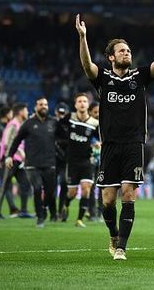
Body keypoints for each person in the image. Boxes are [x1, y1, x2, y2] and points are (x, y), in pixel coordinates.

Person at [76, 12, 154, 260]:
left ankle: (121, 247)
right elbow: (87, 65)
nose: (126, 53)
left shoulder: (139, 77)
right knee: (108, 200)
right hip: (109, 146)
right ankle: (112, 233)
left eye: (128, 50)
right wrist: (83, 37)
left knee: (129, 194)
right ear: (111, 57)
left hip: (133, 144)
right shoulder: (104, 79)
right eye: (121, 51)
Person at [5, 97, 58, 228]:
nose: (44, 106)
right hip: (32, 164)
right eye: (41, 104)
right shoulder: (28, 123)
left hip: (50, 163)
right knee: (37, 187)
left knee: (51, 192)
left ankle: (44, 207)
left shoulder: (53, 122)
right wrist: (9, 156)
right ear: (36, 107)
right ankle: (40, 217)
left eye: (46, 104)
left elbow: (65, 138)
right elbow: (16, 140)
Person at [58, 93, 99, 228]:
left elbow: (100, 138)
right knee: (72, 192)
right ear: (75, 105)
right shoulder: (70, 118)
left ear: (88, 104)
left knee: (86, 189)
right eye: (79, 101)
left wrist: (98, 143)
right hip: (72, 162)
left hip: (87, 161)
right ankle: (66, 204)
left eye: (85, 101)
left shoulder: (94, 123)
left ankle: (79, 219)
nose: (82, 103)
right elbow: (57, 128)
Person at [0, 102, 33, 219]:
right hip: (9, 159)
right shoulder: (13, 124)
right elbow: (6, 142)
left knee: (25, 183)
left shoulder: (19, 124)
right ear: (21, 112)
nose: (27, 112)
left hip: (17, 160)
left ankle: (23, 211)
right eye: (26, 110)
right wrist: (18, 153)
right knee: (4, 185)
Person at [87, 102, 103, 221]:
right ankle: (91, 212)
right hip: (90, 159)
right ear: (90, 113)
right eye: (95, 112)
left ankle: (102, 212)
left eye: (99, 112)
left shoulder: (104, 124)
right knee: (91, 186)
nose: (98, 114)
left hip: (103, 160)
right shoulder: (87, 126)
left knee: (103, 186)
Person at [55, 102, 70, 220]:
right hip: (52, 159)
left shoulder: (70, 125)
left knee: (64, 184)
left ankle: (61, 211)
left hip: (64, 160)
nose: (61, 115)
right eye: (60, 113)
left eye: (63, 113)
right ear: (56, 112)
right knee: (49, 187)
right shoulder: (52, 124)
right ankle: (49, 210)